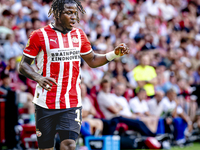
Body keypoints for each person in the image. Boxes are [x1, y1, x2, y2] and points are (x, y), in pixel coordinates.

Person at [18, 0, 129, 149]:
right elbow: (23, 65)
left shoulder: (79, 35)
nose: (74, 17)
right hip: (45, 102)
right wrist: (38, 77)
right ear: (57, 14)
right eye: (69, 13)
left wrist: (113, 54)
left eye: (75, 13)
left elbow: (93, 60)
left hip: (71, 102)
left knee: (69, 145)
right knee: (46, 147)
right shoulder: (39, 36)